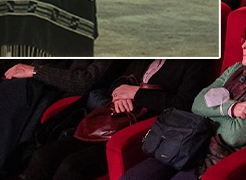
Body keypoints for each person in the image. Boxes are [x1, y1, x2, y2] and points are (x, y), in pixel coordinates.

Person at [120, 18, 246, 179]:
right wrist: (231, 109)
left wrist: (210, 113)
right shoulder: (236, 69)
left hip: (220, 154)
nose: (244, 45)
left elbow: (233, 135)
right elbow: (197, 103)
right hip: (191, 141)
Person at [22, 60, 207, 180]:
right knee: (43, 156)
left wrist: (136, 94)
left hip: (145, 128)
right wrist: (121, 94)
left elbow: (184, 104)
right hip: (113, 119)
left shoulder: (194, 61)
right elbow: (120, 81)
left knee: (71, 167)